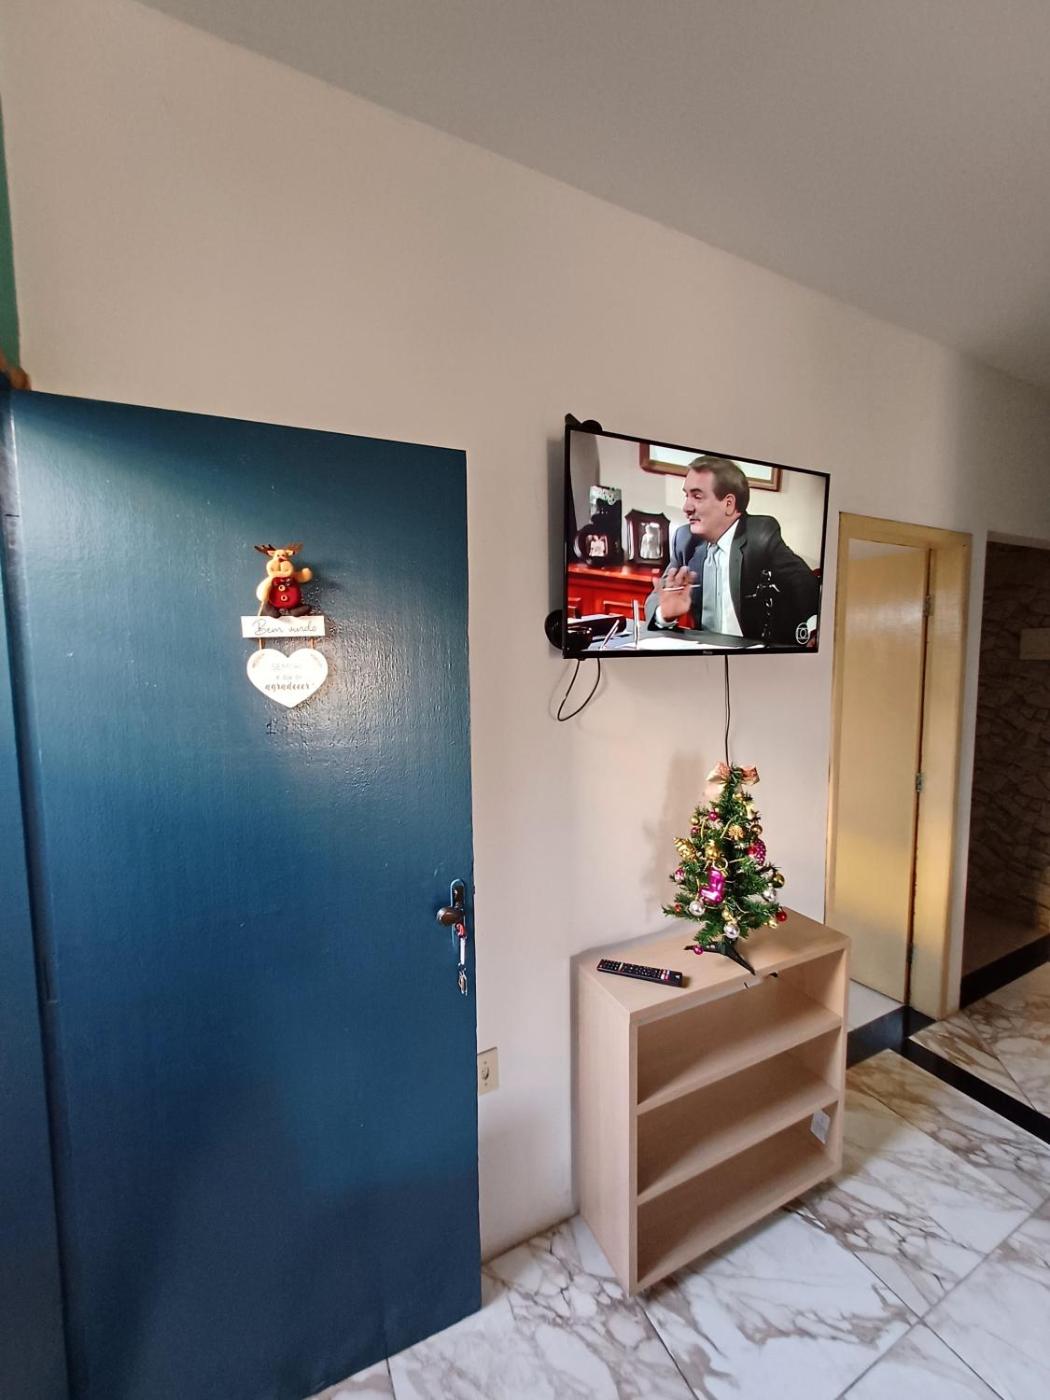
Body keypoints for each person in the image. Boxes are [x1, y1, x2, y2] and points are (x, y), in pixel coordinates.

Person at [646, 456, 819, 644]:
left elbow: (804, 583)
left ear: (728, 504)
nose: (686, 507)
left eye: (697, 496)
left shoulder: (760, 535)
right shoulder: (685, 540)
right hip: (705, 654)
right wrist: (664, 613)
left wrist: (814, 631)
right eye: (686, 496)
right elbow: (657, 598)